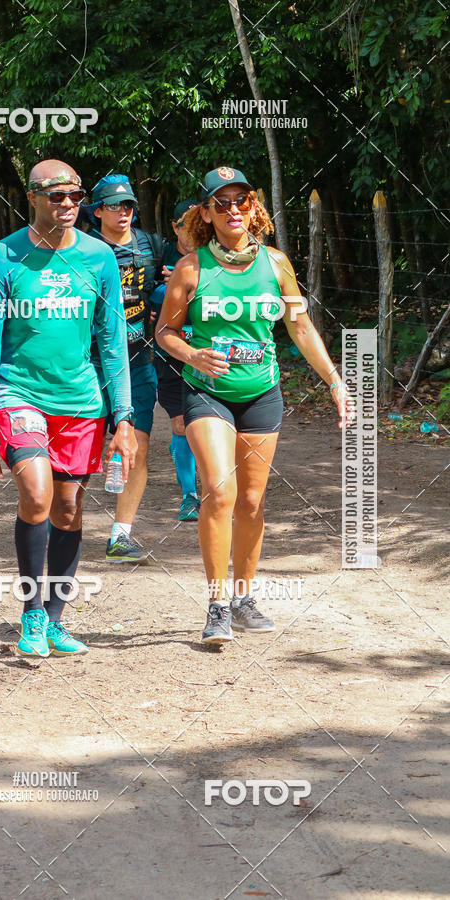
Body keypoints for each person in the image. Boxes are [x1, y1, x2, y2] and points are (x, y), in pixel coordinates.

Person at [156, 166, 354, 645]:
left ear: (254, 207)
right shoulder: (192, 268)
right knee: (220, 493)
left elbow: (301, 328)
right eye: (220, 203)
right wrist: (193, 354)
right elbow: (164, 333)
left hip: (262, 393)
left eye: (241, 200)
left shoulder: (277, 265)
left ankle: (244, 597)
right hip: (208, 392)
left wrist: (334, 380)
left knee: (250, 500)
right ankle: (218, 604)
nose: (233, 210)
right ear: (206, 213)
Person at [0, 159, 136, 659]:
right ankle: (31, 612)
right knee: (38, 496)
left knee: (68, 507)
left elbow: (111, 344)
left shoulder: (98, 258)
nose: (67, 205)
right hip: (17, 393)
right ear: (33, 197)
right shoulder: (4, 257)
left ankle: (57, 617)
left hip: (82, 402)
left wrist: (122, 420)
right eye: (55, 196)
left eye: (75, 196)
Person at [88, 174, 163, 562]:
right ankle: (63, 522)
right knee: (84, 447)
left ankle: (121, 535)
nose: (124, 212)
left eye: (129, 205)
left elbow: (187, 264)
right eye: (115, 205)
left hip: (138, 359)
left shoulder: (151, 245)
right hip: (89, 363)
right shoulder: (82, 249)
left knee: (141, 445)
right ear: (98, 210)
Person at [150, 199, 200, 521]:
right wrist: (163, 291)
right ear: (174, 227)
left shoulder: (216, 258)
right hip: (170, 353)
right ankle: (190, 496)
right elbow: (136, 294)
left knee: (205, 426)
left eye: (199, 221)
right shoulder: (156, 256)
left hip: (209, 353)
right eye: (186, 223)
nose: (194, 229)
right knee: (181, 423)